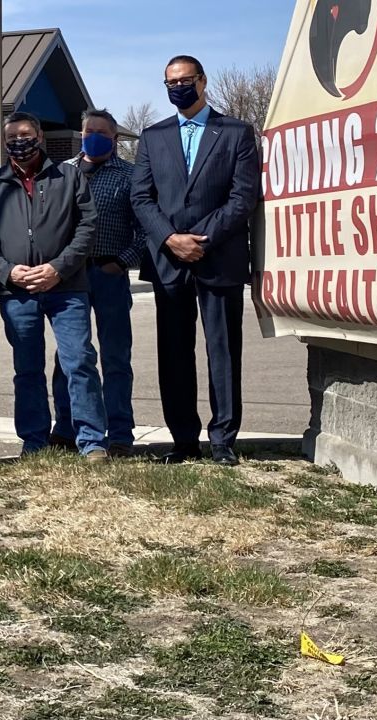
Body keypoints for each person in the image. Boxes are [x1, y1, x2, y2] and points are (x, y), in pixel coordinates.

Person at [130, 55, 260, 466]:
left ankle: (223, 438)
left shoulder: (236, 133)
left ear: (202, 81)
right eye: (170, 82)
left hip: (217, 256)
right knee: (174, 352)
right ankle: (183, 439)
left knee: (223, 351)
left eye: (185, 80)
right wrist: (170, 238)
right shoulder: (152, 137)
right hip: (169, 262)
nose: (178, 87)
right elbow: (141, 196)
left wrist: (200, 239)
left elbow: (243, 197)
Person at [0, 111, 108, 461]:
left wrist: (59, 268)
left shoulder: (69, 176)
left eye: (25, 134)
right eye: (11, 137)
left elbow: (87, 228)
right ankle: (34, 440)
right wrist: (6, 271)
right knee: (27, 370)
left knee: (79, 361)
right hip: (17, 292)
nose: (19, 141)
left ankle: (90, 441)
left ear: (40, 136)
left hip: (66, 287)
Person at [50, 109, 145, 457]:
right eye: (89, 131)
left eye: (102, 132)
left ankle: (120, 433)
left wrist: (122, 263)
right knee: (70, 357)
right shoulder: (62, 173)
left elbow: (144, 229)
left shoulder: (131, 176)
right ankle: (65, 428)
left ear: (115, 138)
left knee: (116, 356)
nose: (94, 136)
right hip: (68, 277)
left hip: (109, 274)